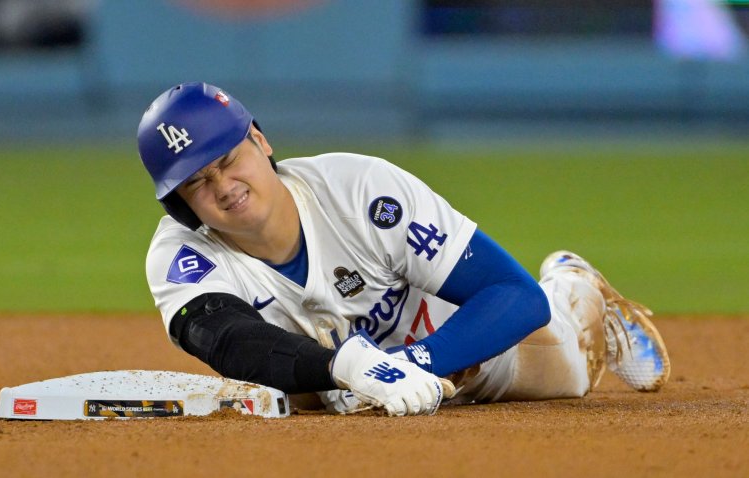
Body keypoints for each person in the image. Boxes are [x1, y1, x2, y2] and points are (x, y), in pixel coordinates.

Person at [137, 82, 671, 416]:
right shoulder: (180, 257)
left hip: (466, 350)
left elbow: (514, 295)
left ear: (260, 139)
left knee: (571, 376)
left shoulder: (360, 190)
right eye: (198, 182)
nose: (224, 185)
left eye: (229, 159)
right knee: (289, 394)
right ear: (180, 203)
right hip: (336, 382)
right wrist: (351, 369)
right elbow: (227, 340)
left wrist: (414, 363)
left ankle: (576, 289)